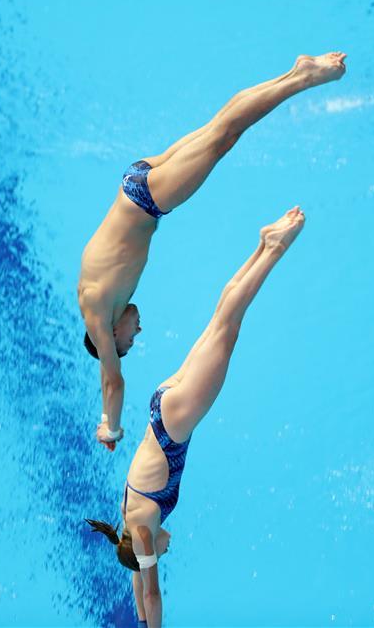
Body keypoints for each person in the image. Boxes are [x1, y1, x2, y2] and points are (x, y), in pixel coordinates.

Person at [78, 53, 347, 451]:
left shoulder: (99, 315)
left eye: (130, 341)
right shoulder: (101, 299)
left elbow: (112, 380)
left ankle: (301, 78)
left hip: (146, 199)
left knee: (225, 135)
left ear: (111, 337)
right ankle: (294, 73)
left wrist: (110, 427)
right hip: (135, 181)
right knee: (220, 127)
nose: (137, 332)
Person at [86, 207, 305, 627]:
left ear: (146, 549)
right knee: (220, 321)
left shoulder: (145, 533)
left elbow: (149, 591)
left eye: (160, 554)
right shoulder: (130, 522)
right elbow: (136, 581)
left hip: (175, 424)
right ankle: (263, 243)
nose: (169, 547)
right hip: (162, 405)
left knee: (229, 327)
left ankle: (273, 249)